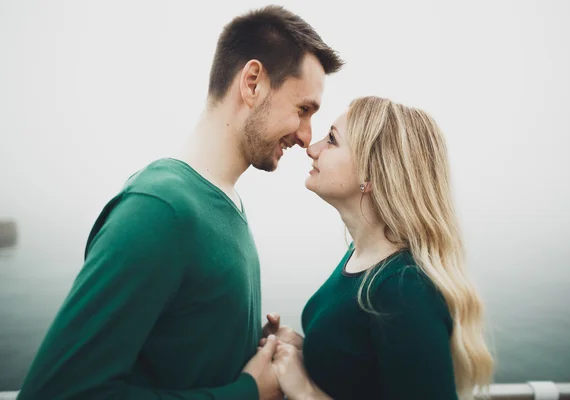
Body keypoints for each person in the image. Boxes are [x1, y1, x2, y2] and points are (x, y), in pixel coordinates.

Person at [17, 5, 343, 400]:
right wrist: (248, 392)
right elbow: (55, 393)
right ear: (253, 82)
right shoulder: (159, 208)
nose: (308, 136)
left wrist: (248, 344)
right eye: (303, 109)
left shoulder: (226, 202)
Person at [261, 96, 494, 399]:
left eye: (332, 140)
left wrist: (305, 391)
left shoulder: (405, 289)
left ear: (372, 174)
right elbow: (362, 368)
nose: (312, 148)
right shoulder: (361, 257)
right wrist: (300, 348)